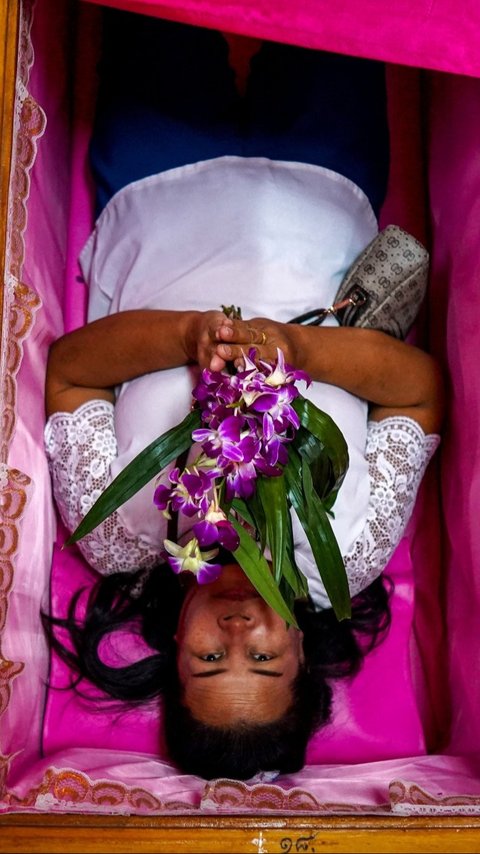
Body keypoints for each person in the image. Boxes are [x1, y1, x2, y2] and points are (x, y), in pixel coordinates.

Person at [42, 8, 444, 780]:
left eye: (208, 660)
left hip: (155, 185)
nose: (236, 630)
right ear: (302, 654)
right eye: (261, 660)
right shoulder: (349, 554)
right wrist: (297, 350)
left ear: (170, 654)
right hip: (325, 184)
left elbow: (71, 373)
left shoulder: (118, 538)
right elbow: (419, 396)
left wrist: (194, 337)